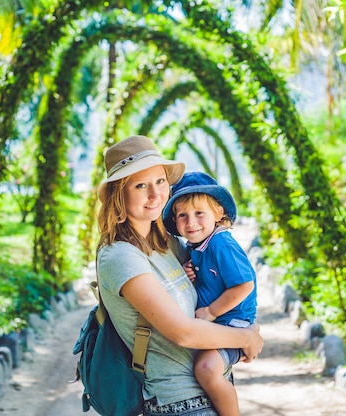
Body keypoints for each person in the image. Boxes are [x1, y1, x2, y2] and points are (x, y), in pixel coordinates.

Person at [96, 135, 263, 416]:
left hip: (211, 388)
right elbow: (182, 332)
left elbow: (223, 284)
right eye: (141, 185)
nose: (155, 194)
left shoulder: (169, 244)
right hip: (176, 404)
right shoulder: (120, 256)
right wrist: (246, 338)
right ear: (119, 194)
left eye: (160, 181)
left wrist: (246, 325)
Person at [162, 171, 257, 416]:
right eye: (182, 215)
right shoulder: (196, 246)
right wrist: (188, 273)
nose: (191, 222)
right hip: (219, 322)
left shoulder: (221, 243)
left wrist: (210, 312)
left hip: (231, 322)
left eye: (199, 213)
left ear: (218, 214)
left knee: (206, 368)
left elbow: (244, 285)